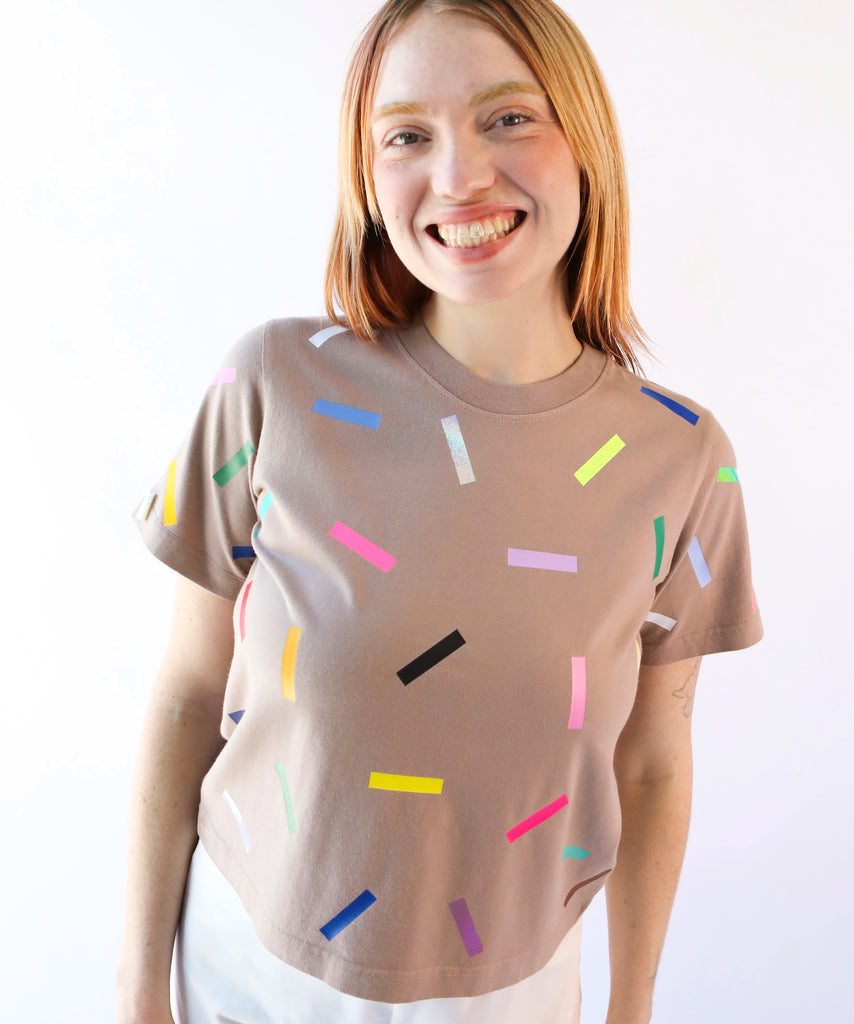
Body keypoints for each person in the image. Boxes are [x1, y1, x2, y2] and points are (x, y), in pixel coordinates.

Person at [115, 1, 763, 1022]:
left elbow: (650, 764)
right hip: (245, 973)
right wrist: (136, 990)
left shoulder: (679, 459)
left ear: (582, 142)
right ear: (366, 181)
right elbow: (189, 698)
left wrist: (630, 1009)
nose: (458, 175)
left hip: (510, 995)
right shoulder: (272, 386)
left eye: (508, 118)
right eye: (407, 136)